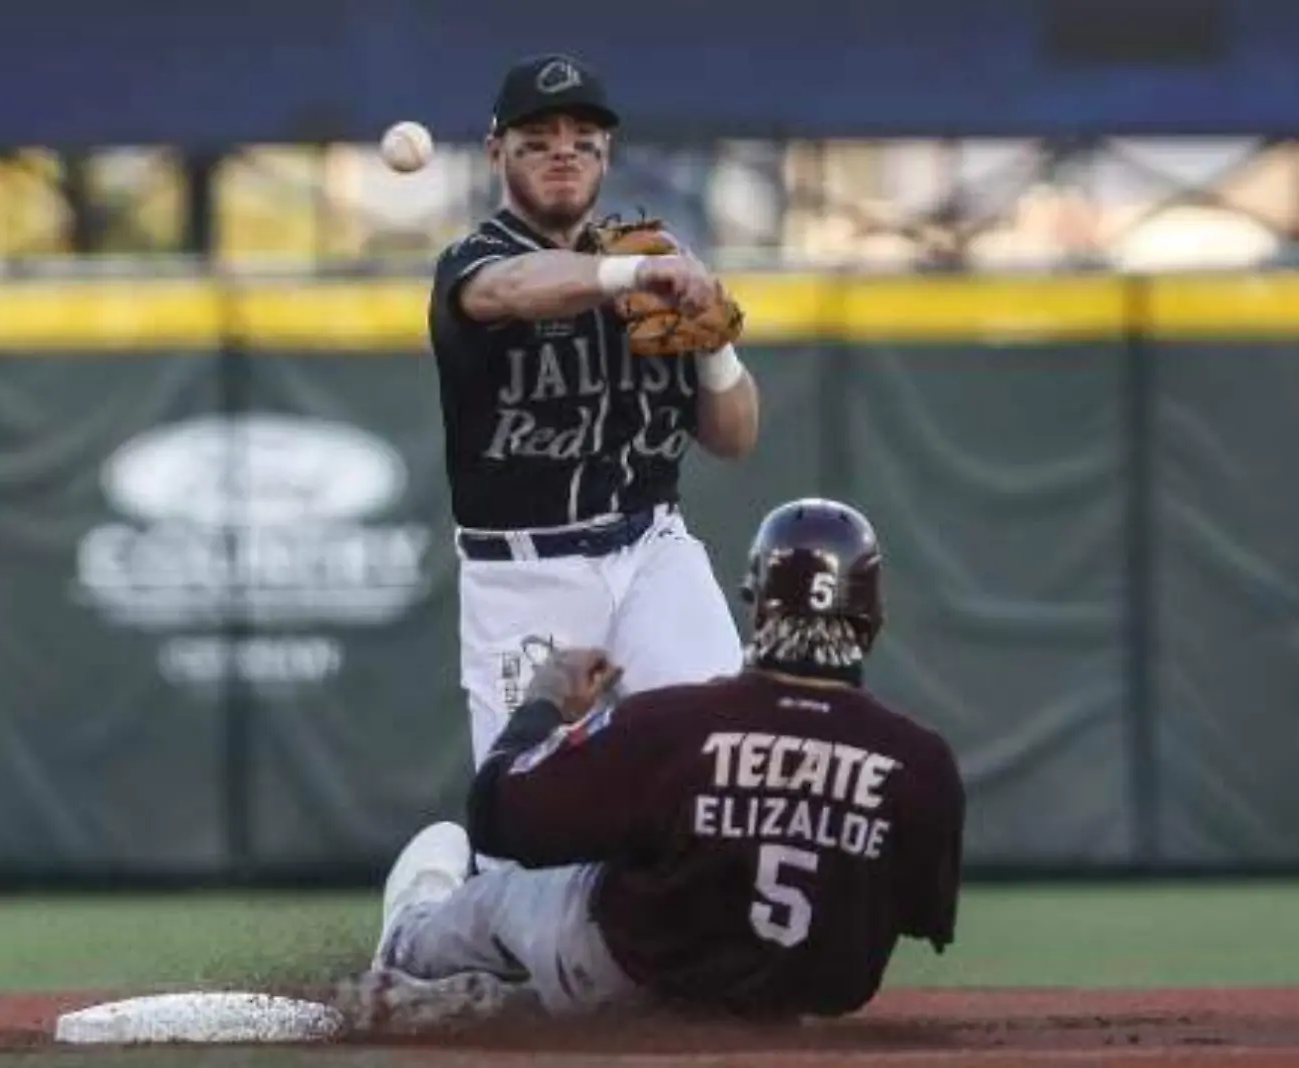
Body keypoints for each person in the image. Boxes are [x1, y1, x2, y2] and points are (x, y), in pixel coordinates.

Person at [351, 497, 967, 1027]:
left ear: (759, 607)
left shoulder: (677, 723)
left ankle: (408, 943)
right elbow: (923, 918)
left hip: (622, 969)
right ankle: (523, 1005)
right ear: (873, 618)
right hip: (794, 995)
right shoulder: (924, 765)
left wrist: (544, 703)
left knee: (512, 888)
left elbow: (497, 814)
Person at [427, 51, 762, 770]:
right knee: (527, 824)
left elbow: (735, 438)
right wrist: (634, 274)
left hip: (651, 552)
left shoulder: (650, 264)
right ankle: (433, 886)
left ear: (606, 153)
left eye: (583, 139)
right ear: (496, 152)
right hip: (525, 575)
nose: (562, 153)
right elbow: (516, 289)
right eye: (538, 139)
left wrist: (713, 344)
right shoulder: (476, 260)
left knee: (721, 761)